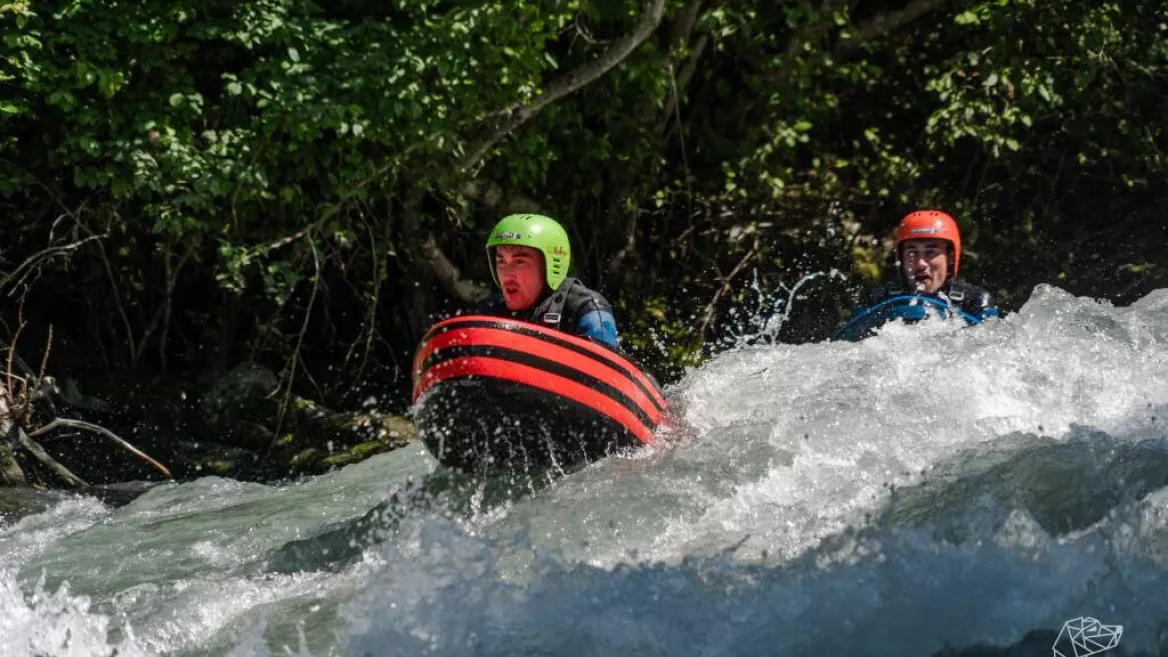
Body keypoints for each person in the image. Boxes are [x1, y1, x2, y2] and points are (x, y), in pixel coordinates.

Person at [834, 209, 999, 341]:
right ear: (901, 259)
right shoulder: (878, 298)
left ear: (949, 257)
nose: (920, 263)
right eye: (912, 253)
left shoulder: (975, 302)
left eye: (931, 252)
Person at [472, 213, 619, 349]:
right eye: (501, 262)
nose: (507, 275)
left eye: (519, 262)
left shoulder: (587, 310)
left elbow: (603, 366)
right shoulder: (488, 310)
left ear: (548, 266)